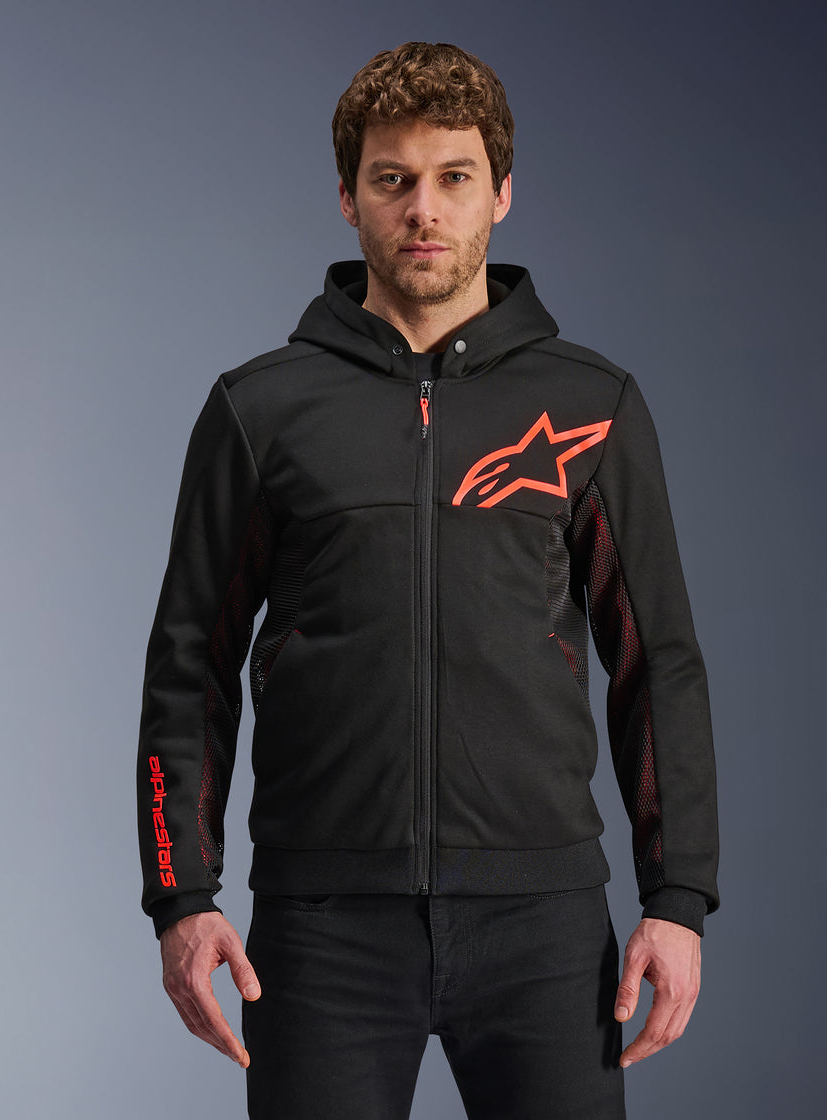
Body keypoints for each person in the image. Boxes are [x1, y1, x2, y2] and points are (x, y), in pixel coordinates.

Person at [137, 41, 719, 1119]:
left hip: (545, 924)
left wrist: (676, 897)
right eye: (392, 179)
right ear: (347, 197)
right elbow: (188, 666)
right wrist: (181, 895)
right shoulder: (259, 412)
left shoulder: (591, 407)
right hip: (322, 926)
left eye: (454, 176)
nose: (424, 209)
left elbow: (660, 662)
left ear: (503, 190)